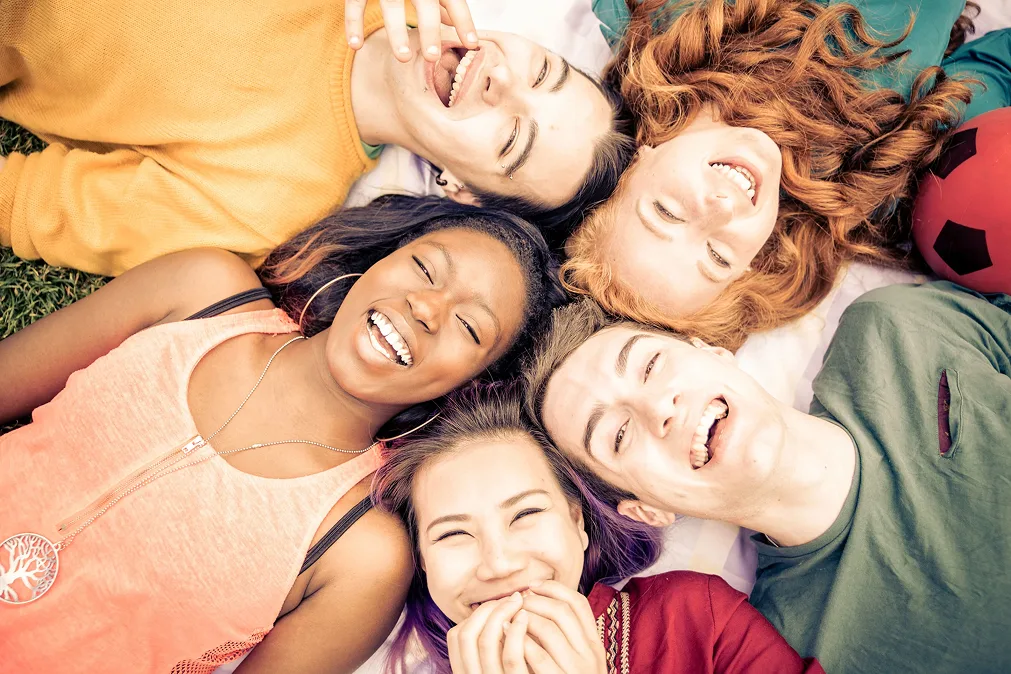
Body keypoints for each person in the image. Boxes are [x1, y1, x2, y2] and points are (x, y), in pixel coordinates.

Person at [0, 195, 564, 673]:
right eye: (424, 268)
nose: (428, 307)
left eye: (469, 326)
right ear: (383, 256)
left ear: (472, 383)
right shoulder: (201, 292)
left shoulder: (361, 555)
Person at [522, 285, 1011, 673]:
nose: (658, 408)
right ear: (647, 510)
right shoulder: (791, 647)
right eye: (619, 435)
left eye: (651, 365)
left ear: (714, 352)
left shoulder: (894, 327)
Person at [0, 0, 632, 277]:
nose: (501, 84)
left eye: (510, 141)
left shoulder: (262, 203)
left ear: (460, 188)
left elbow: (25, 205)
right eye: (542, 72)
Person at [562, 0, 1011, 350]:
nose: (719, 210)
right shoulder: (887, 173)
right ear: (753, 264)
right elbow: (993, 70)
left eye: (666, 212)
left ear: (635, 160)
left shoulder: (656, 18)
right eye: (718, 256)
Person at [372, 383, 825, 674]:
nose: (500, 563)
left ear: (577, 523)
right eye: (453, 535)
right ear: (423, 562)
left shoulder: (697, 617)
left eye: (526, 514)